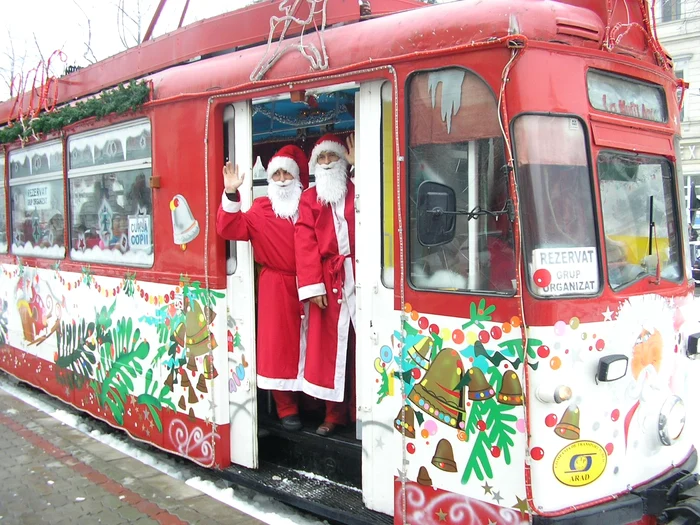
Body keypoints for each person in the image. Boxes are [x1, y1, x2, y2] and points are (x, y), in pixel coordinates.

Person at [216, 145, 310, 431]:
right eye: (277, 173)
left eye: (287, 174)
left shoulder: (310, 205)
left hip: (311, 284)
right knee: (279, 346)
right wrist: (232, 193)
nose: (282, 179)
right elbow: (229, 228)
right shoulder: (261, 208)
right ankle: (286, 407)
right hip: (276, 287)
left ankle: (314, 401)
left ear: (298, 178)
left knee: (311, 344)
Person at [295, 133, 356, 437]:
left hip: (360, 277)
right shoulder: (308, 198)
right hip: (328, 281)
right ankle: (333, 415)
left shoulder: (356, 188)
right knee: (332, 350)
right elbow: (304, 242)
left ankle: (360, 413)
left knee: (359, 347)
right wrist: (313, 286)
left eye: (333, 156)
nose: (328, 162)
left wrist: (361, 170)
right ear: (315, 164)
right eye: (322, 157)